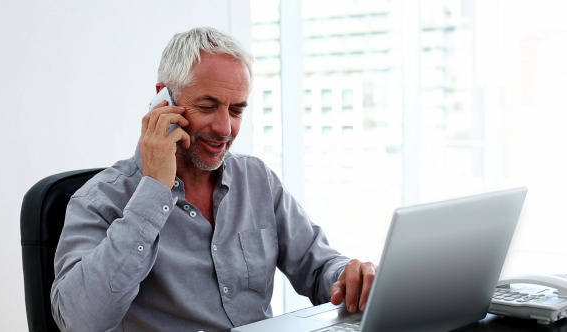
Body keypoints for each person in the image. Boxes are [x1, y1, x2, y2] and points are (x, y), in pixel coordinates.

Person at [51, 26, 376, 332]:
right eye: (208, 106)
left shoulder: (256, 179)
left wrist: (348, 277)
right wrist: (153, 192)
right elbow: (79, 321)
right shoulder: (99, 200)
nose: (225, 128)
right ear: (164, 100)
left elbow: (318, 267)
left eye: (236, 111)